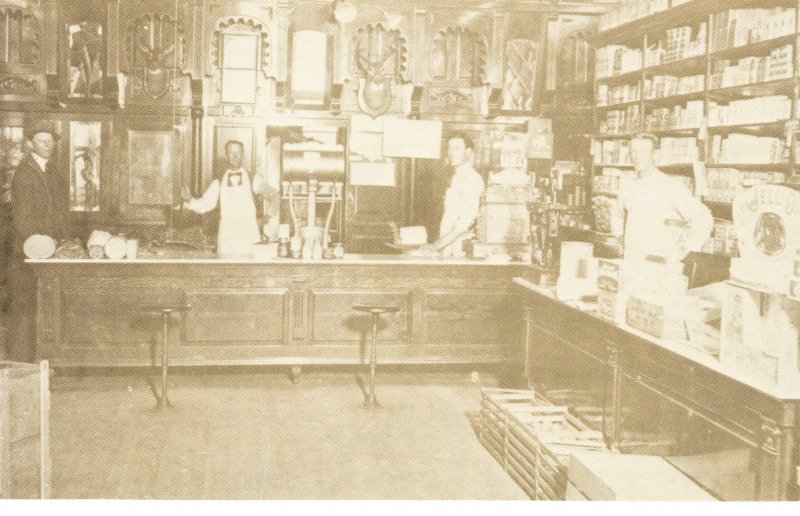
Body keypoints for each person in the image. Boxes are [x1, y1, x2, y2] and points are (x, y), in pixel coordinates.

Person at [5, 120, 69, 362]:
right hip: (26, 254)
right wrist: (40, 246)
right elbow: (22, 218)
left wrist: (61, 239)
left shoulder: (50, 169)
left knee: (41, 308)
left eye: (51, 141)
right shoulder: (24, 173)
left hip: (45, 250)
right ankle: (17, 367)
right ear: (30, 144)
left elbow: (59, 210)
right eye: (42, 141)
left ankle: (37, 363)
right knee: (23, 310)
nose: (48, 145)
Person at [610, 132, 713, 265]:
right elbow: (616, 214)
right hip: (632, 261)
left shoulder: (671, 186)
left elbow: (703, 218)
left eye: (642, 151)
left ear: (655, 155)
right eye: (633, 151)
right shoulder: (628, 186)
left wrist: (685, 248)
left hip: (660, 266)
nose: (636, 156)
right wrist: (620, 236)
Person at [179, 140, 278, 258]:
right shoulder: (218, 182)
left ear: (243, 155)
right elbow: (205, 205)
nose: (235, 156)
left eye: (238, 153)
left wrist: (265, 219)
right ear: (226, 156)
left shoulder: (254, 180)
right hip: (226, 238)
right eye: (231, 153)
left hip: (249, 236)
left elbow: (275, 196)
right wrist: (189, 198)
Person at [417, 133, 484, 258]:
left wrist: (436, 245)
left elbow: (465, 222)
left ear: (468, 152)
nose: (451, 152)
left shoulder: (471, 178)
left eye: (457, 148)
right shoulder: (456, 176)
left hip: (458, 248)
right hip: (447, 246)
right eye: (449, 148)